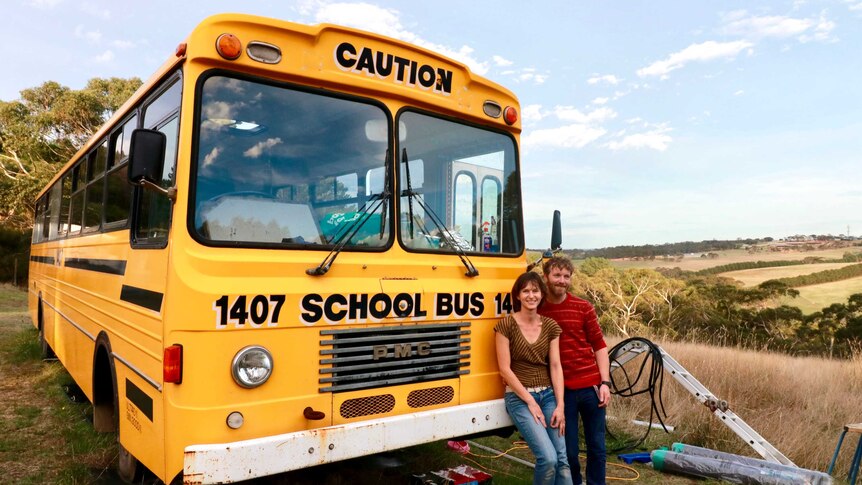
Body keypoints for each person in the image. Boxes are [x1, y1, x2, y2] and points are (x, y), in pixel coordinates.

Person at [495, 271, 573, 485]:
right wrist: (530, 401)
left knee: (562, 460)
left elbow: (556, 367)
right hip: (519, 398)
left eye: (535, 290)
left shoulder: (550, 326)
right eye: (526, 291)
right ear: (518, 296)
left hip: (548, 397)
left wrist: (560, 406)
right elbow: (505, 370)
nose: (531, 295)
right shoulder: (505, 326)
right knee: (548, 459)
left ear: (542, 295)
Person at [539, 256, 610, 485]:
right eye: (557, 275)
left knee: (597, 447)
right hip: (562, 393)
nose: (562, 281)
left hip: (592, 388)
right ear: (546, 277)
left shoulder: (583, 307)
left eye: (566, 276)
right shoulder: (538, 309)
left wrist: (605, 383)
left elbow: (599, 345)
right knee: (568, 452)